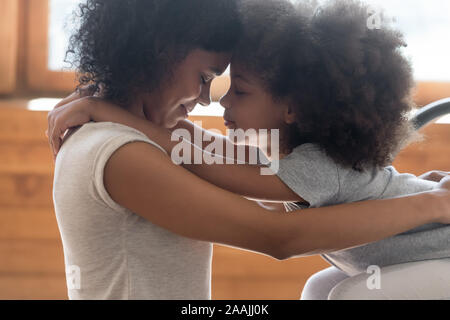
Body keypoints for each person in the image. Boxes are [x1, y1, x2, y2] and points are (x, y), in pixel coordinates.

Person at [48, 0, 450, 300]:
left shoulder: (306, 160)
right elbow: (272, 229)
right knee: (324, 291)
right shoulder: (120, 150)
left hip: (438, 251)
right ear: (159, 52)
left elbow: (219, 159)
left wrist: (434, 203)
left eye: (232, 88)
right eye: (205, 77)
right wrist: (431, 203)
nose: (209, 100)